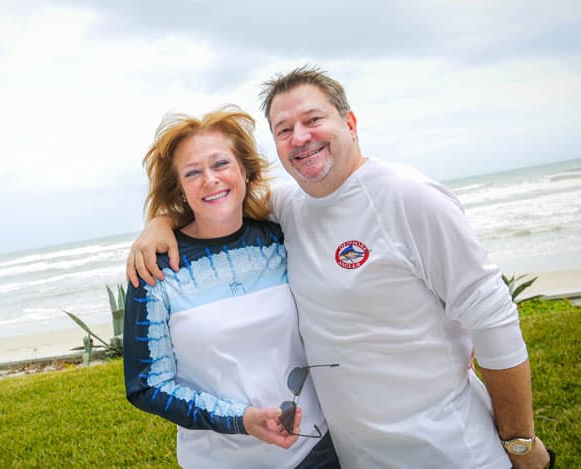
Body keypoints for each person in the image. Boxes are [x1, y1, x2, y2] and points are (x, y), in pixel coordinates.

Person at [126, 66, 553, 469]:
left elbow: (494, 322)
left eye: (313, 119)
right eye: (284, 130)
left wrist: (519, 440)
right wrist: (159, 223)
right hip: (355, 455)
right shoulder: (289, 209)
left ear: (350, 122)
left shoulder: (410, 197)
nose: (300, 137)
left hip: (449, 448)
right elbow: (219, 205)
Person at [123, 106, 340, 468]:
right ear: (180, 190)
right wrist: (239, 419)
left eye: (221, 164)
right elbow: (147, 385)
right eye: (192, 172)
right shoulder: (155, 270)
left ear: (245, 171)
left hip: (315, 449)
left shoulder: (283, 240)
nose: (210, 179)